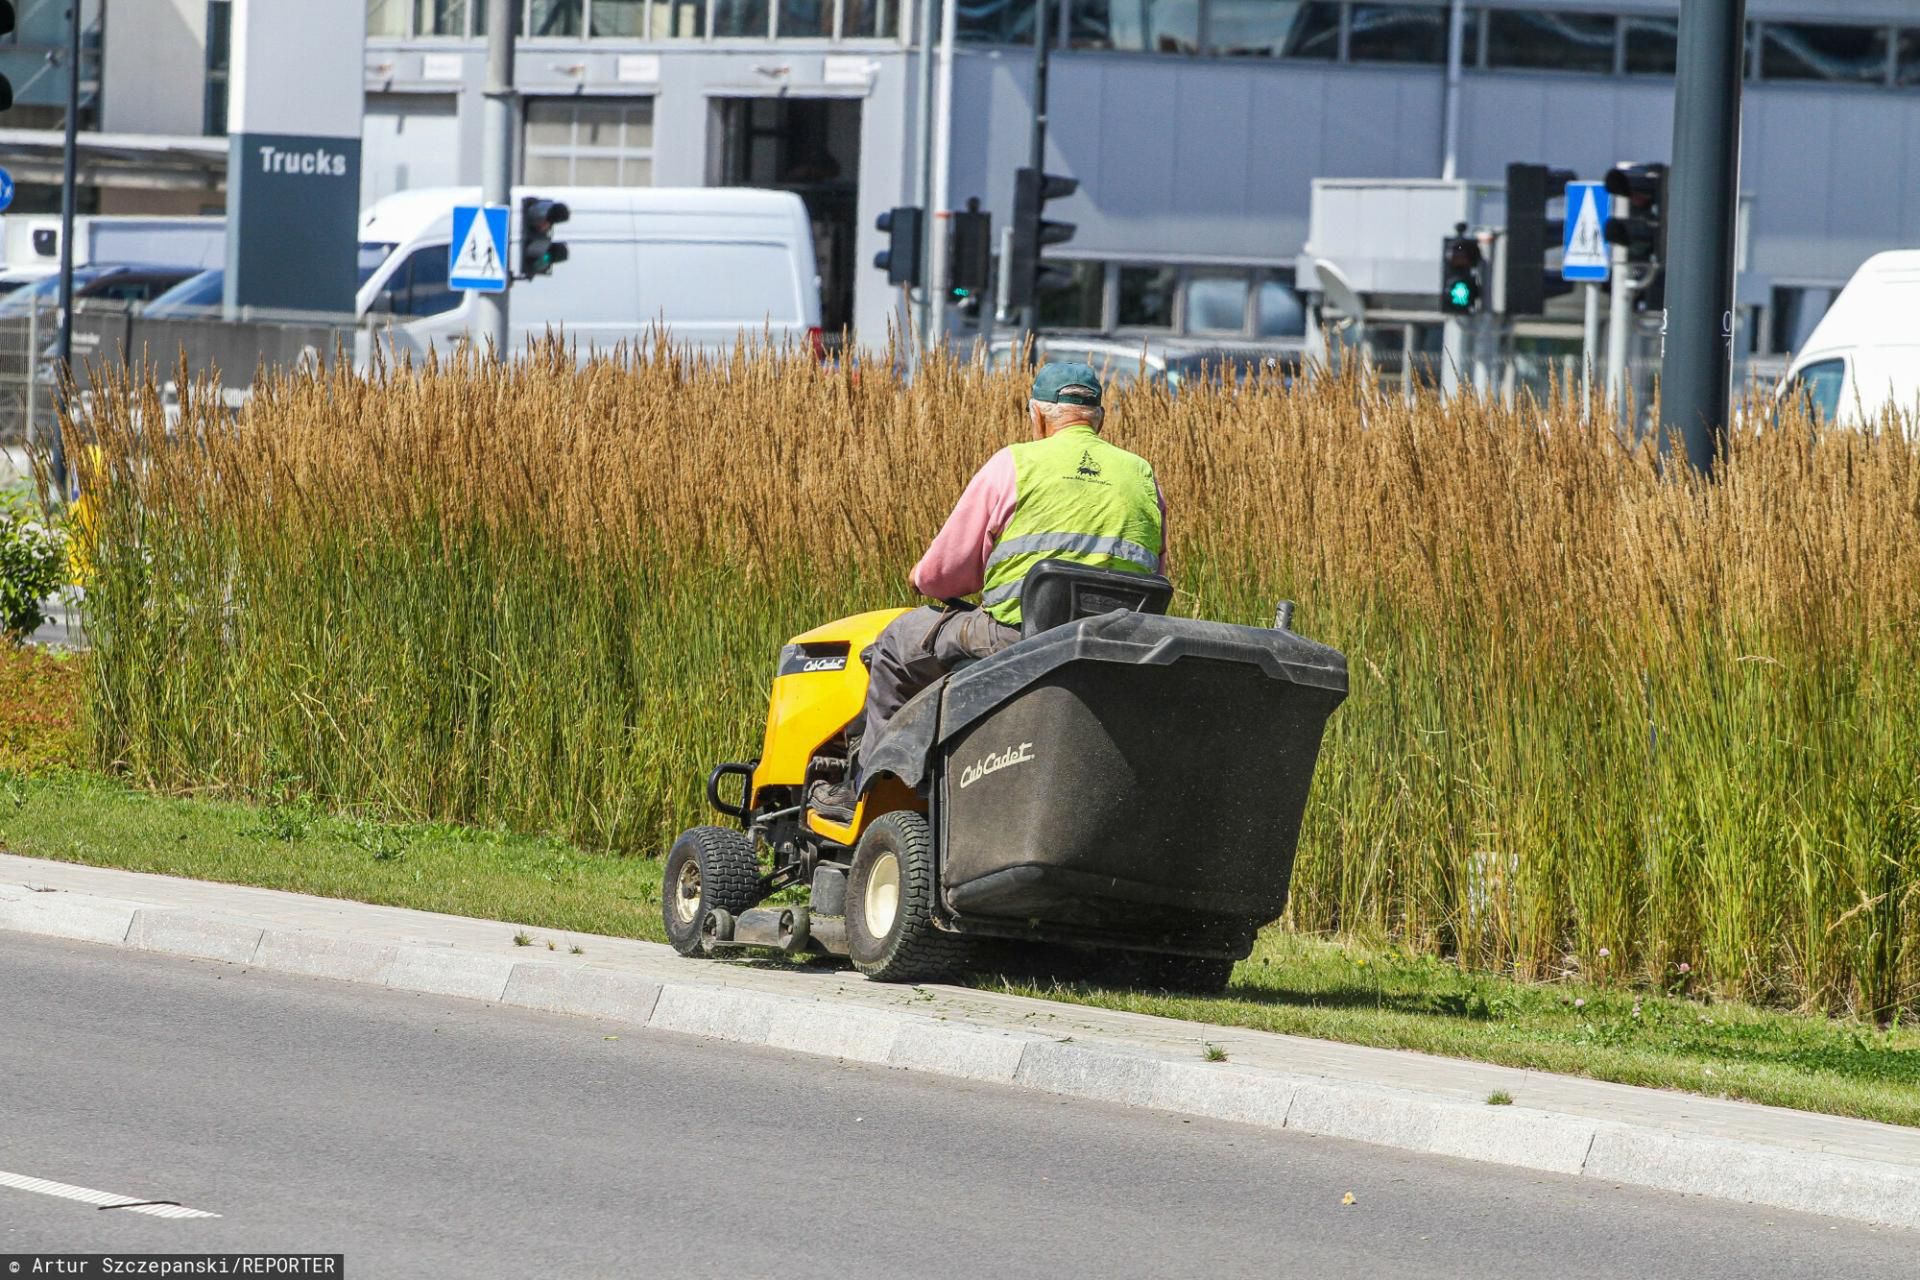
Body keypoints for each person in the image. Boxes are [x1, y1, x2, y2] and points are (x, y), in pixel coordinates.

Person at [808, 361, 1168, 822]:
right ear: (1100, 418)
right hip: (1113, 647)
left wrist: (925, 580)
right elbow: (1155, 576)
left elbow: (940, 576)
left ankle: (869, 796)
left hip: (1019, 639)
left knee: (898, 644)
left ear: (1037, 415)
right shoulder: (1142, 474)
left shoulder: (1015, 464)